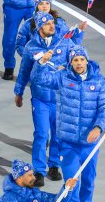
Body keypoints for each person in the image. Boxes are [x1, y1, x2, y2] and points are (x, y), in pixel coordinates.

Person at [32, 46, 105, 202]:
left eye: (81, 60)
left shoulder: (99, 80)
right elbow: (40, 80)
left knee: (89, 180)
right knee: (70, 184)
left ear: (87, 61)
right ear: (70, 62)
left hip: (90, 144)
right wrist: (41, 63)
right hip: (67, 144)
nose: (78, 63)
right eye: (74, 60)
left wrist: (98, 127)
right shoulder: (62, 77)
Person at [13, 12, 78, 188]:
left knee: (58, 134)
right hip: (40, 99)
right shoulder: (31, 47)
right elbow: (24, 71)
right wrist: (19, 92)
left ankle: (54, 165)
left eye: (52, 23)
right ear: (40, 27)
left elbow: (78, 55)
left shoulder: (63, 43)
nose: (52, 26)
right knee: (41, 134)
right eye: (48, 24)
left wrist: (79, 35)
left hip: (59, 98)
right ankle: (39, 170)